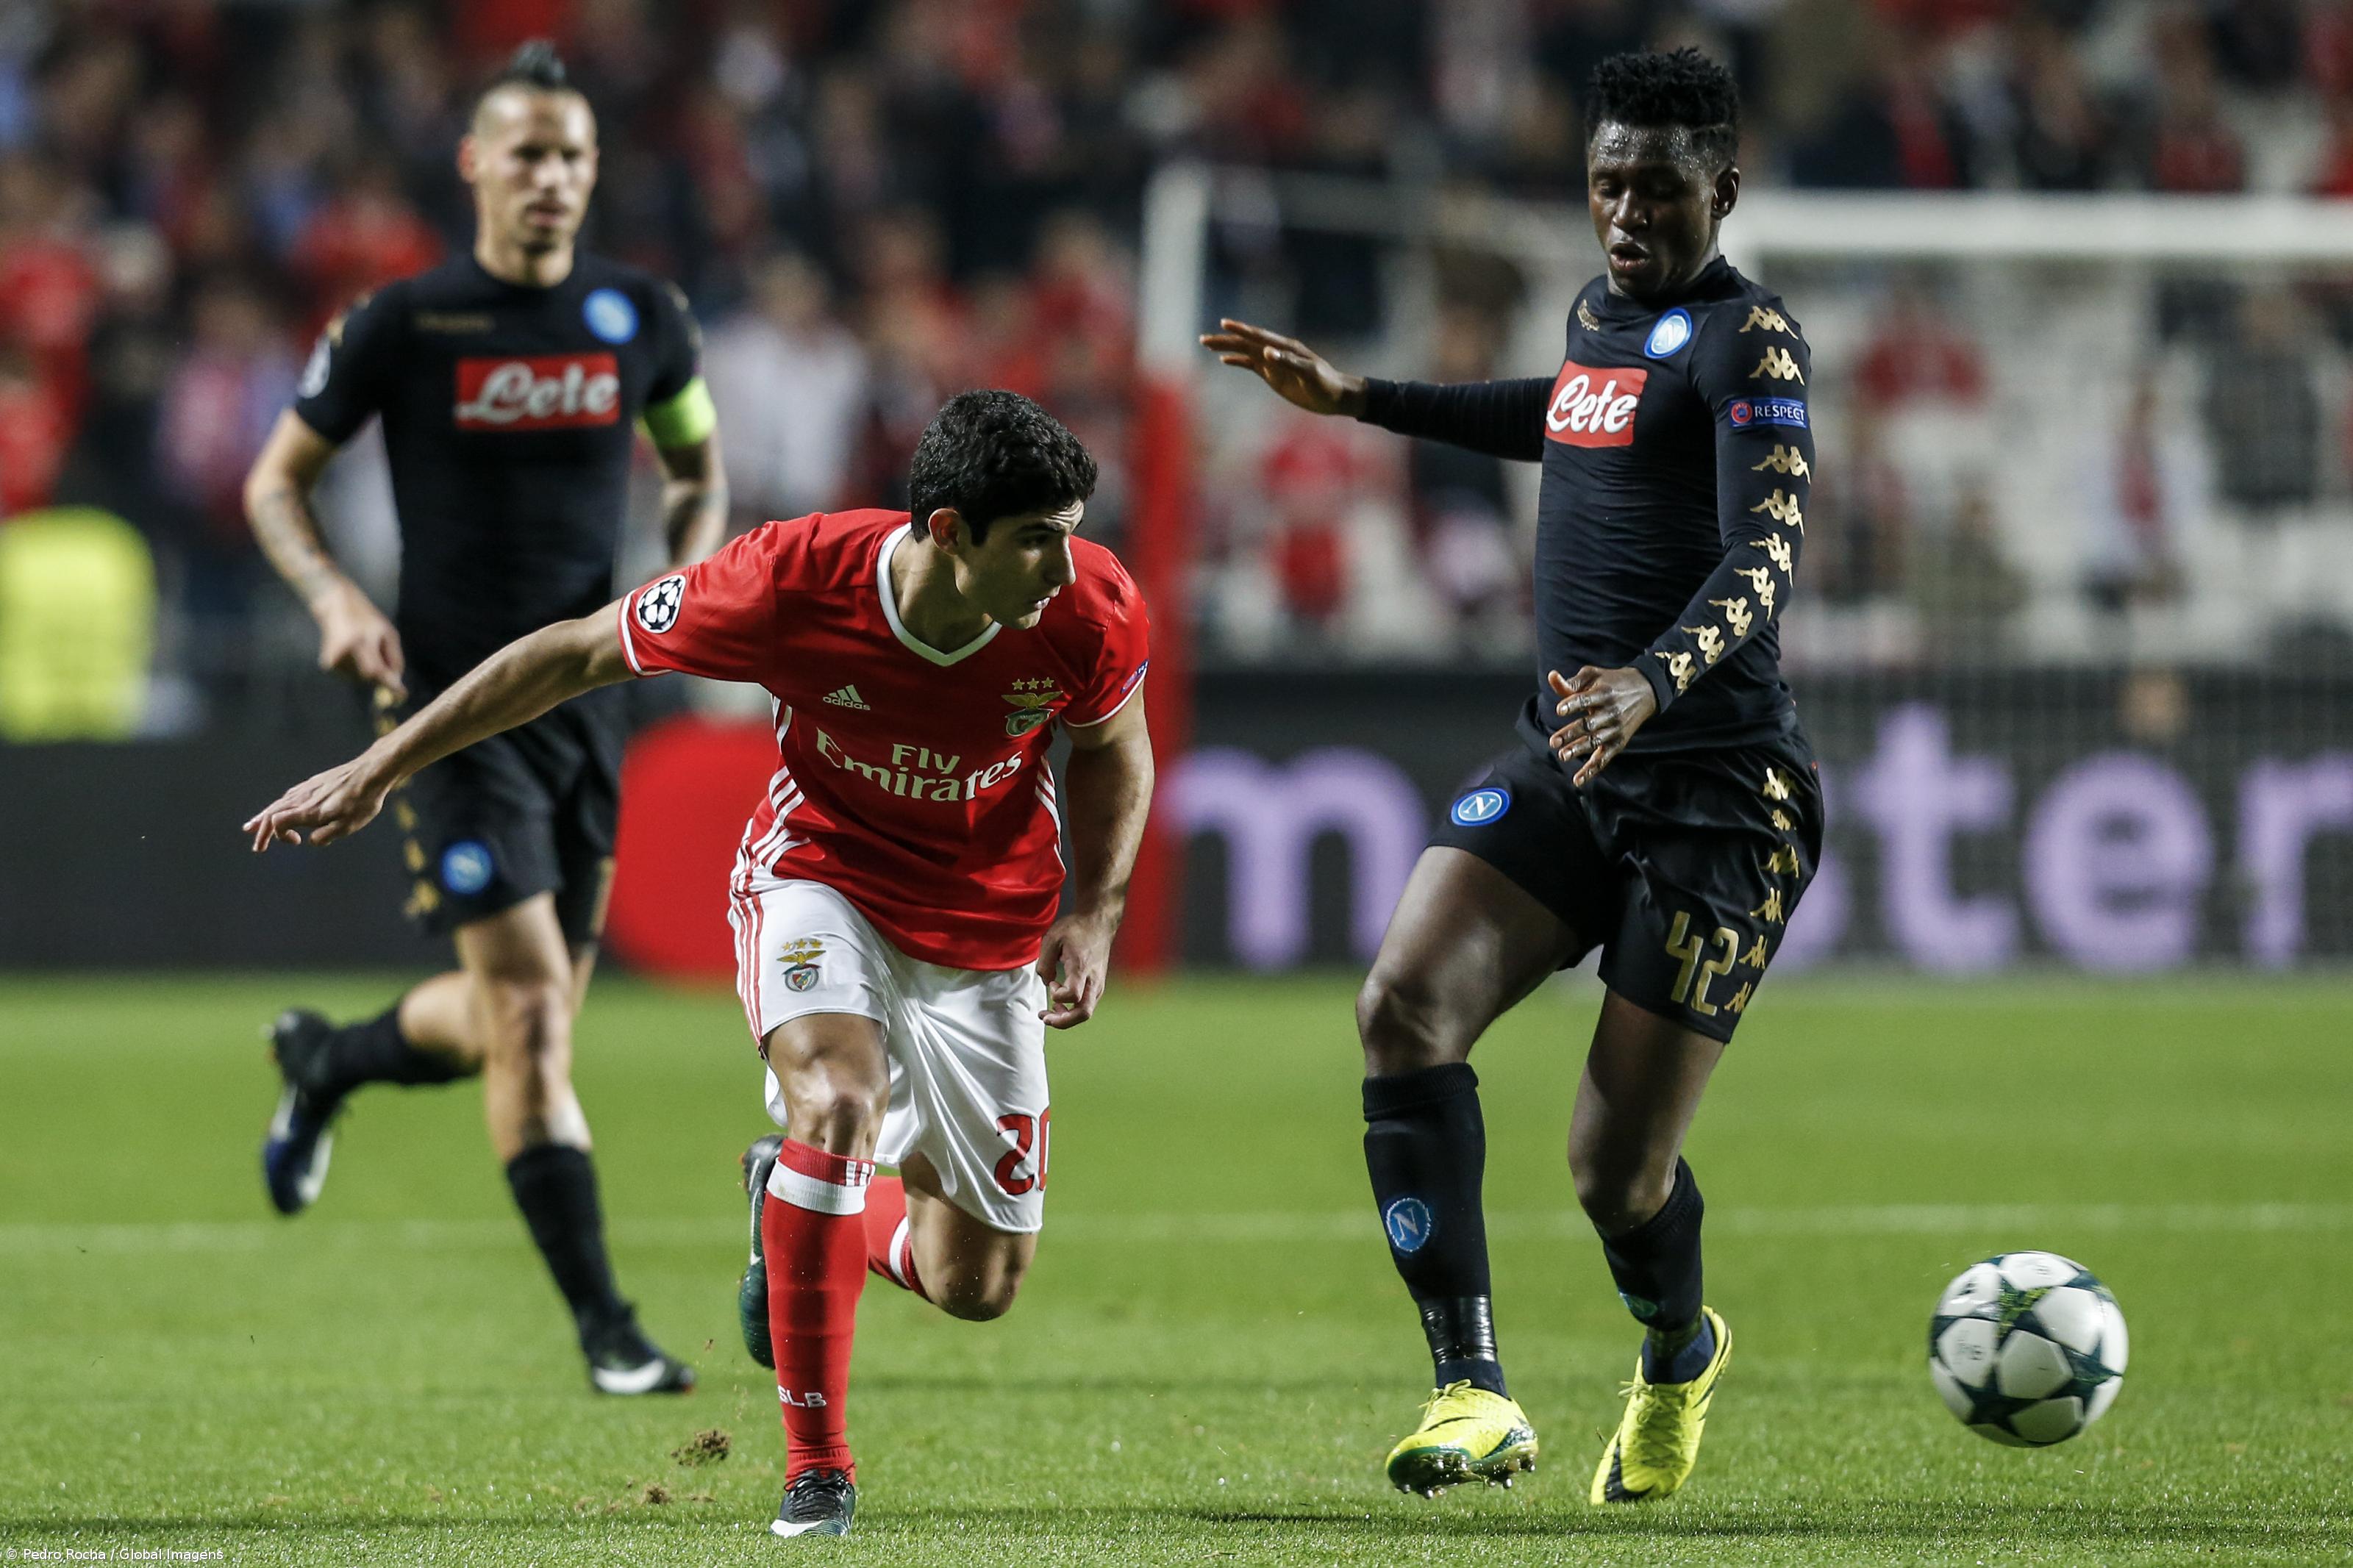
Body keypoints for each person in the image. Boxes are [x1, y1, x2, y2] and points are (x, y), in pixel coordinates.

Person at [243, 389, 1155, 1540]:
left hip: (986, 931)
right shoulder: (791, 580)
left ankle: (795, 1192)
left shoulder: (1089, 609)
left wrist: (1099, 912)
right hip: (822, 877)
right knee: (839, 1098)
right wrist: (378, 767)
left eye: (1072, 530)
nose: (1065, 565)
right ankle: (817, 1465)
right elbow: (572, 653)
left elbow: (1115, 748)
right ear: (948, 533)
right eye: (1039, 538)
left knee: (975, 1283)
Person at [1202, 46, 1821, 1505]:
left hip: (1718, 796)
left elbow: (1767, 552)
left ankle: (1676, 1345)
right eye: (1606, 181)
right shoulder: (1599, 317)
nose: (1625, 212)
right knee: (1400, 1001)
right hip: (1570, 758)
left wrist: (1652, 678)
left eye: (1658, 189)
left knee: (1613, 1174)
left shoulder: (1754, 344)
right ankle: (1471, 1387)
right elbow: (1559, 412)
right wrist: (1363, 398)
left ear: (1721, 190)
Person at [240, 42, 727, 1396]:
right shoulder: (404, 323)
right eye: (526, 153)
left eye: (573, 156)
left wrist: (685, 570)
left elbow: (697, 469)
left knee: (528, 1015)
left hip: (582, 702)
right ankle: (608, 1330)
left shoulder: (645, 319)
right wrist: (333, 598)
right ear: (474, 166)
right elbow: (275, 486)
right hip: (441, 710)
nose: (553, 179)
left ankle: (328, 1057)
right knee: (531, 1019)